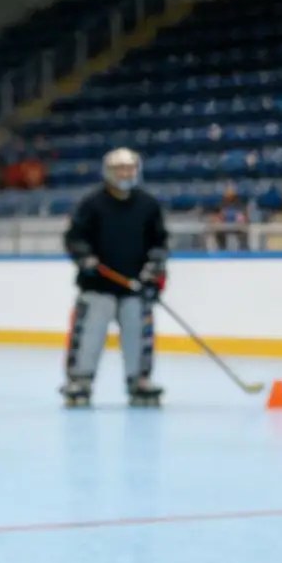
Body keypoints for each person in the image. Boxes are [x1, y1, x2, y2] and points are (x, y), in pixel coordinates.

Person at [61, 146, 168, 408]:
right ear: (108, 172)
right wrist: (84, 256)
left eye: (130, 168)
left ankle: (139, 379)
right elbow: (74, 237)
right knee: (89, 335)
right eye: (120, 168)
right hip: (98, 284)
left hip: (135, 285)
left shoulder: (148, 204)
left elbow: (160, 241)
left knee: (138, 336)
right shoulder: (91, 203)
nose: (125, 173)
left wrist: (155, 267)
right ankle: (80, 380)